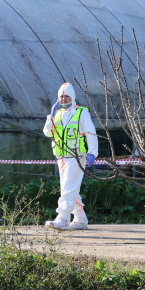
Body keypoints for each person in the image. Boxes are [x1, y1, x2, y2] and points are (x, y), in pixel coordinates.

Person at [42, 82, 97, 230]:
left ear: (72, 97)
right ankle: (80, 219)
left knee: (68, 189)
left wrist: (92, 152)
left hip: (77, 157)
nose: (64, 99)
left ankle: (63, 218)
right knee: (71, 189)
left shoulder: (81, 112)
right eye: (61, 96)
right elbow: (47, 133)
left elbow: (91, 133)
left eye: (66, 96)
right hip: (62, 158)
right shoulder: (57, 114)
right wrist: (50, 117)